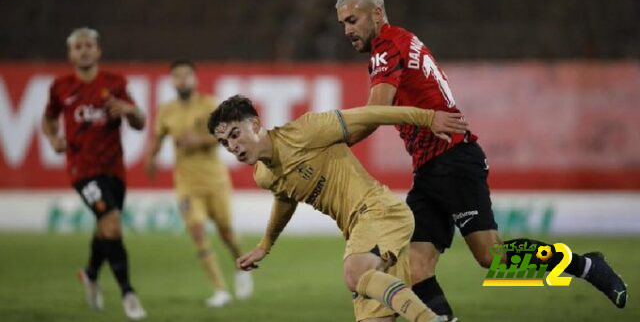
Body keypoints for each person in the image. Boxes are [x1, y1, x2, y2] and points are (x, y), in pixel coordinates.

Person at [334, 0, 628, 318]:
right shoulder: (402, 41)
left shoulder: (387, 47)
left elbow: (375, 112)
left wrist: (332, 138)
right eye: (343, 23)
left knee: (493, 256)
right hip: (431, 168)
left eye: (352, 20)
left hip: (453, 159)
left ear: (377, 14)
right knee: (416, 265)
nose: (347, 30)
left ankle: (587, 266)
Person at [208, 95, 469, 322]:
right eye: (224, 143)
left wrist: (428, 118)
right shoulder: (263, 175)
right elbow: (285, 196)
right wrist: (265, 245)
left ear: (254, 124)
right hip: (363, 230)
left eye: (234, 134)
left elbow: (371, 114)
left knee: (489, 253)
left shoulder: (306, 130)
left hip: (381, 210)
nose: (232, 146)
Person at [41, 27, 147, 320]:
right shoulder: (60, 87)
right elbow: (48, 119)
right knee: (112, 225)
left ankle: (90, 274)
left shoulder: (115, 83)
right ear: (70, 54)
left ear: (98, 51)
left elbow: (140, 121)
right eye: (78, 47)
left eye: (89, 45)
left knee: (105, 225)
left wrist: (128, 110)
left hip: (115, 169)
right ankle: (128, 293)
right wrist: (53, 140)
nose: (84, 50)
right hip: (82, 170)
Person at [144, 59, 253, 307]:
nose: (182, 80)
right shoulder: (166, 110)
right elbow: (158, 138)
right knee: (197, 231)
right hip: (187, 184)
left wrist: (199, 140)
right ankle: (220, 290)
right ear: (172, 81)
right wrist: (150, 158)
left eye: (186, 75)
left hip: (215, 181)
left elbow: (226, 134)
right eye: (177, 76)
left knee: (226, 232)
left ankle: (242, 267)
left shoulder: (210, 105)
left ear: (195, 78)